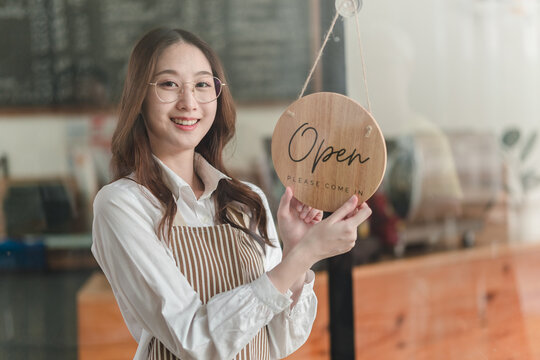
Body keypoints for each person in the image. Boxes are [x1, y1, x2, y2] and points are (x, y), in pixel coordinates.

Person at [91, 28, 372, 360]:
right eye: (169, 84)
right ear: (140, 95)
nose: (189, 102)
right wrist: (303, 255)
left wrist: (295, 247)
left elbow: (278, 341)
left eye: (202, 84)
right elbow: (194, 341)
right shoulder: (123, 204)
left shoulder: (247, 200)